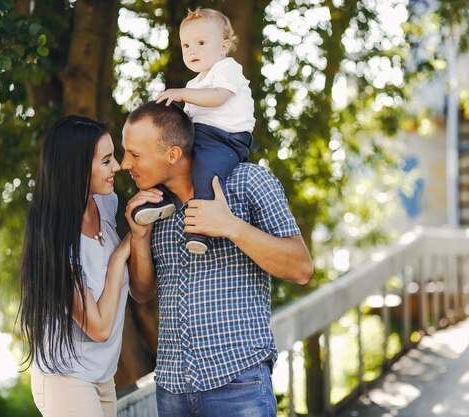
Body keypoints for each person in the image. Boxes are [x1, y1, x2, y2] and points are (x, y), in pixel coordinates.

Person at [121, 101, 313, 417]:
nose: (125, 163)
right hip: (172, 389)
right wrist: (140, 237)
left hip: (238, 384)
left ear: (172, 154)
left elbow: (301, 268)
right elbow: (141, 292)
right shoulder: (154, 207)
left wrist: (230, 226)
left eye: (135, 154)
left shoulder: (248, 182)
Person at [18, 115, 131, 417]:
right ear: (78, 168)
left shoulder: (106, 204)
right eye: (106, 161)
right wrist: (120, 255)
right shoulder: (56, 240)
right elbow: (100, 327)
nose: (117, 167)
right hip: (66, 376)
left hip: (102, 374)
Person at [132, 7, 255, 255]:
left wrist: (181, 94)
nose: (192, 50)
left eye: (200, 42)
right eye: (186, 45)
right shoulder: (193, 83)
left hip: (226, 138)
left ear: (223, 46)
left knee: (205, 171)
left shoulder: (227, 68)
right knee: (170, 159)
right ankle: (164, 200)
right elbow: (190, 117)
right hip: (200, 135)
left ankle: (201, 229)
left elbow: (218, 97)